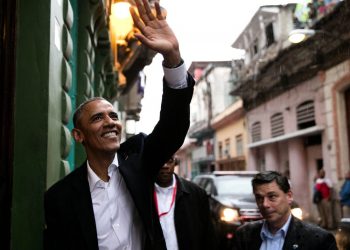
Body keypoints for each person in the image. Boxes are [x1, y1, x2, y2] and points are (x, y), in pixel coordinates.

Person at [44, 0, 194, 249]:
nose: (110, 122)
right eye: (97, 118)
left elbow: (173, 126)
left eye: (113, 116)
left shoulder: (140, 162)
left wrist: (172, 56)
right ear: (78, 136)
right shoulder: (60, 198)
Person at [232, 171, 337, 250]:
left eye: (272, 196)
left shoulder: (319, 240)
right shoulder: (243, 235)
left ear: (289, 196)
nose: (264, 204)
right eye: (259, 198)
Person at [154, 156, 217, 250]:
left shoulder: (197, 194)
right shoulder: (142, 194)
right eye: (160, 160)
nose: (165, 166)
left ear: (175, 163)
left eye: (169, 161)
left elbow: (208, 237)